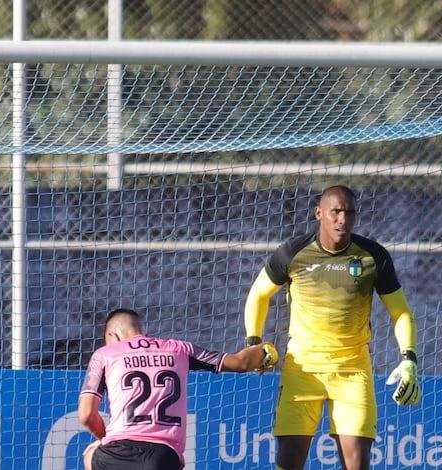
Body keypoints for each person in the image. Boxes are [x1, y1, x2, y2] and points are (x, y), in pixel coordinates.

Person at [243, 185, 420, 470]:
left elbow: (401, 312)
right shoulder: (293, 252)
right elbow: (258, 295)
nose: (343, 219)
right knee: (288, 461)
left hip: (353, 370)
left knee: (356, 464)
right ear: (319, 213)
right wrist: (254, 342)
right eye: (336, 212)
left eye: (349, 213)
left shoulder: (373, 256)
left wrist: (409, 358)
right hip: (303, 368)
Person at [78, 308, 278, 470]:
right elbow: (241, 363)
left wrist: (106, 439)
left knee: (90, 456)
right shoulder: (179, 349)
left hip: (118, 453)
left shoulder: (104, 355)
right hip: (164, 457)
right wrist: (267, 351)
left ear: (112, 334)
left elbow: (87, 415)